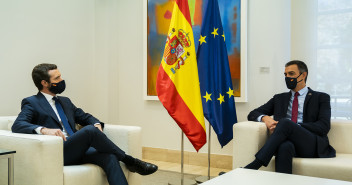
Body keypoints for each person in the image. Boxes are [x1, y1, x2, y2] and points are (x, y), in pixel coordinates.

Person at [12, 63, 158, 185]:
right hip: (58, 151)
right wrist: (44, 130)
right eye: (57, 78)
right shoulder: (32, 102)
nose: (62, 80)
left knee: (109, 157)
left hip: (77, 148)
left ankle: (128, 162)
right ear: (44, 83)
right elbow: (18, 124)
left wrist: (95, 123)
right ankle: (130, 161)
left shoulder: (65, 101)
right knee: (89, 131)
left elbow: (85, 117)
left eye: (61, 76)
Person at [244, 60, 336, 174]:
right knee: (284, 146)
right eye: (285, 74)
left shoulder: (321, 97)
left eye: (291, 74)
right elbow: (252, 114)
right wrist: (265, 118)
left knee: (285, 123)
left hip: (311, 144)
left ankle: (253, 166)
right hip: (289, 143)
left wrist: (294, 127)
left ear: (303, 75)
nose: (287, 77)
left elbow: (324, 126)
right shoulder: (279, 98)